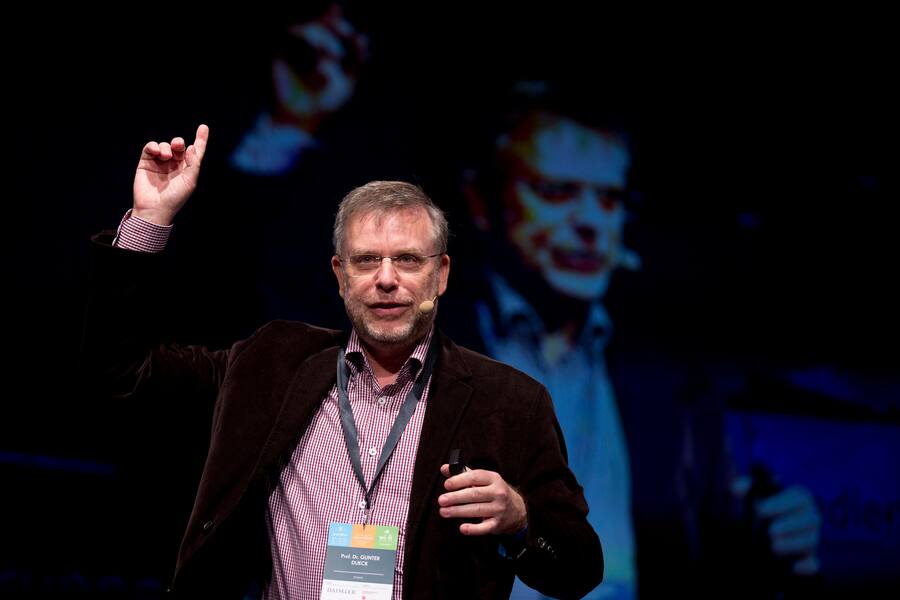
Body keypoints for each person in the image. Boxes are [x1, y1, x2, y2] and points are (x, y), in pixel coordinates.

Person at [82, 124, 602, 599]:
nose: (386, 279)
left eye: (407, 260)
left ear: (441, 274)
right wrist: (149, 222)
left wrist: (521, 521)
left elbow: (580, 568)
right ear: (340, 275)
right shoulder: (272, 362)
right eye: (367, 260)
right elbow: (123, 372)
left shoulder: (510, 401)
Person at [450, 84, 822, 599]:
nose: (590, 222)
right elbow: (358, 506)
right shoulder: (413, 345)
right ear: (480, 200)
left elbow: (699, 561)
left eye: (608, 198)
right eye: (556, 192)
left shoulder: (671, 375)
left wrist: (769, 548)